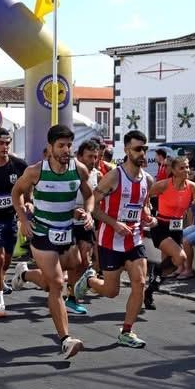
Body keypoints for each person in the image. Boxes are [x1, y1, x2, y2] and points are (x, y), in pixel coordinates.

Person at [10, 125, 94, 358]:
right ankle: (66, 339)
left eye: (69, 145)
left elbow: (90, 196)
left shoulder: (79, 170)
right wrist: (24, 220)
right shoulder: (36, 171)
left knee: (54, 280)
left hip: (66, 233)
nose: (67, 149)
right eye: (61, 145)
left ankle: (24, 274)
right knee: (57, 284)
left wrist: (86, 212)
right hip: (43, 234)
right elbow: (16, 193)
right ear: (50, 148)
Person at [73, 130, 153, 346]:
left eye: (145, 149)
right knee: (111, 291)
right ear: (127, 150)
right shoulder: (114, 176)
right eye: (138, 149)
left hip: (134, 239)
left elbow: (143, 206)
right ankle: (89, 280)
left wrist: (148, 218)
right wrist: (114, 223)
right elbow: (93, 206)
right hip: (110, 239)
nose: (142, 153)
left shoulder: (148, 179)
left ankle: (127, 331)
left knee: (140, 282)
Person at [145, 156, 195, 309]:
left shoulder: (192, 186)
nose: (186, 170)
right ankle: (155, 273)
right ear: (173, 170)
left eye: (187, 167)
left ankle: (149, 292)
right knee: (180, 257)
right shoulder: (163, 185)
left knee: (169, 267)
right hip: (160, 226)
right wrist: (147, 213)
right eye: (182, 168)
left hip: (176, 228)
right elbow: (143, 196)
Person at [0, 127, 27, 318]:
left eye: (7, 143)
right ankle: (0, 302)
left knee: (6, 260)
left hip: (11, 218)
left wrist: (29, 203)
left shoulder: (19, 165)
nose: (4, 146)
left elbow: (28, 187)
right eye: (0, 143)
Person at [65, 139, 102, 315]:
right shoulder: (69, 172)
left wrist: (89, 212)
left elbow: (94, 198)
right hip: (67, 223)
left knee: (84, 261)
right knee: (72, 263)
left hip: (86, 223)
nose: (93, 160)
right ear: (79, 156)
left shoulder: (97, 174)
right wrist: (71, 211)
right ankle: (26, 274)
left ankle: (71, 298)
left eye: (96, 157)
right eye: (89, 156)